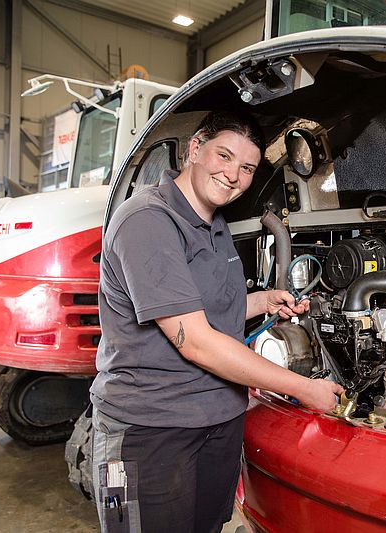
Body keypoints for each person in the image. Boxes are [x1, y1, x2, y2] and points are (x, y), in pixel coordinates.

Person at [89, 109, 343, 533]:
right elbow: (197, 340)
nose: (233, 176)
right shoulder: (147, 220)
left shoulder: (215, 223)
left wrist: (263, 301)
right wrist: (303, 389)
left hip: (216, 420)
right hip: (150, 430)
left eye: (246, 167)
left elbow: (201, 310)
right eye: (223, 156)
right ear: (194, 149)